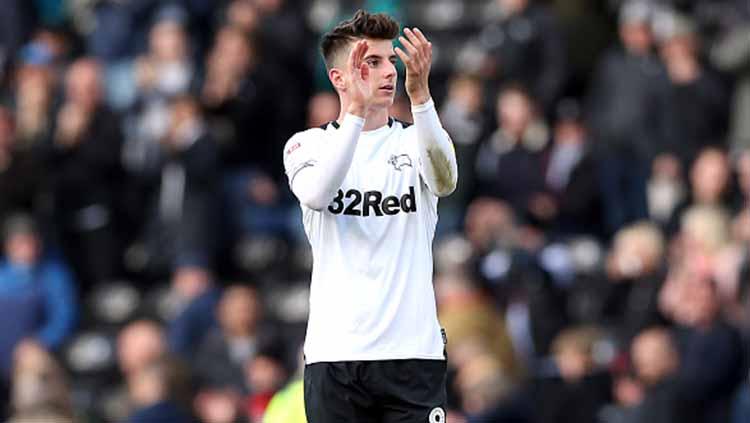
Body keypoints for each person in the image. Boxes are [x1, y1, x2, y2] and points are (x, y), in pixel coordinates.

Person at [281, 10, 457, 422]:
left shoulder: (418, 139)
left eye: (390, 61)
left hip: (413, 355)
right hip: (336, 357)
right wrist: (356, 114)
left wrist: (421, 99)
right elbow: (318, 193)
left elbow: (445, 181)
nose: (386, 72)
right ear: (339, 79)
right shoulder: (306, 146)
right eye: (371, 62)